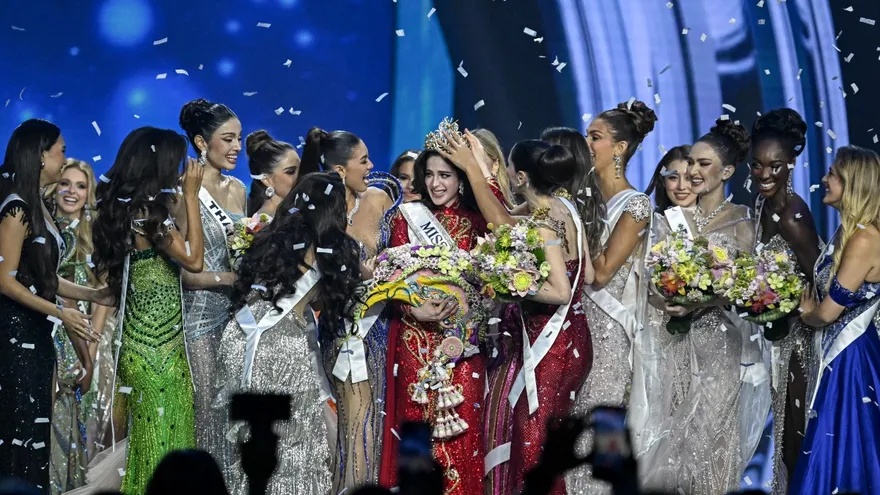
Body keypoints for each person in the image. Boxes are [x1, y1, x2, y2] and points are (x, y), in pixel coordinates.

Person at [639, 120, 769, 495]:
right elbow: (649, 280)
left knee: (709, 442)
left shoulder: (743, 220)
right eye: (691, 162)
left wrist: (700, 301)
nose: (693, 172)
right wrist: (667, 298)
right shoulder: (671, 218)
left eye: (704, 164)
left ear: (726, 171)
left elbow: (742, 288)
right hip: (671, 343)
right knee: (667, 440)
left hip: (719, 343)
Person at [377, 118, 506, 495]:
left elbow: (495, 278)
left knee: (462, 434)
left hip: (463, 345)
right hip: (416, 340)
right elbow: (389, 279)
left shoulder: (480, 222)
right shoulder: (404, 219)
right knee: (417, 431)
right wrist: (410, 308)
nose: (436, 184)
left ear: (462, 179)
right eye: (430, 174)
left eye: (446, 175)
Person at [216, 172, 363, 495]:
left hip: (240, 335)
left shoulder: (270, 235)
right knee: (293, 448)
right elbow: (347, 291)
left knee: (252, 443)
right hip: (280, 341)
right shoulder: (329, 246)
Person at [92, 127, 205, 494]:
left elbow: (180, 243)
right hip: (159, 355)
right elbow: (195, 261)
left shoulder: (131, 213)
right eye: (175, 161)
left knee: (153, 447)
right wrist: (191, 195)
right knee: (163, 449)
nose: (179, 169)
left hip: (146, 350)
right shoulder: (147, 216)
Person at [0, 120, 109, 494]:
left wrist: (93, 295)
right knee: (19, 427)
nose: (64, 156)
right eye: (60, 149)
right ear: (41, 154)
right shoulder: (15, 208)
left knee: (36, 426)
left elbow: (43, 275)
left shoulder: (38, 205)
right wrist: (61, 312)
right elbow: (5, 280)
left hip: (37, 331)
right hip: (15, 335)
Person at [301, 127, 399, 490]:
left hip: (385, 327)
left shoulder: (379, 199)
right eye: (363, 161)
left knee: (379, 420)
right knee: (354, 422)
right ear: (340, 170)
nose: (372, 166)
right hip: (343, 329)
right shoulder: (319, 214)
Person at [567, 101, 656, 494]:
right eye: (587, 135)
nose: (586, 143)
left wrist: (572, 223)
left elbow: (601, 272)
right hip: (572, 324)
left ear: (620, 148)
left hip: (608, 333)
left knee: (596, 426)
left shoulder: (635, 205)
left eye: (595, 137)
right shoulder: (585, 198)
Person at [794, 146, 880, 494]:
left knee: (844, 448)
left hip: (850, 359)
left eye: (832, 175)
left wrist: (806, 312)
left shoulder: (864, 239)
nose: (825, 180)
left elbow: (829, 312)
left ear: (853, 183)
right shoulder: (852, 233)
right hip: (840, 355)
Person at [749, 108, 821, 493]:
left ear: (791, 163)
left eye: (775, 167)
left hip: (801, 340)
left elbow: (821, 279)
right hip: (776, 337)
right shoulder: (763, 205)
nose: (764, 175)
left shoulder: (793, 214)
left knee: (796, 438)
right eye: (757, 166)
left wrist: (791, 304)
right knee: (783, 435)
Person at [176, 98, 247, 467]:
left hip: (235, 322)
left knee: (234, 416)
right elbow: (187, 273)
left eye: (239, 138)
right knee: (207, 414)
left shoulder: (238, 189)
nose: (237, 147)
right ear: (202, 143)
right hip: (198, 322)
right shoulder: (183, 191)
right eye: (228, 139)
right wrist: (231, 277)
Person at [44, 159, 114, 493]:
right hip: (52, 331)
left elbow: (102, 294)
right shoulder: (43, 230)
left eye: (80, 186)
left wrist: (94, 347)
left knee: (92, 424)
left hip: (89, 337)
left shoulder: (94, 235)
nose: (72, 192)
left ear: (90, 193)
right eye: (65, 184)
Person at [245, 130, 302, 217]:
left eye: (301, 169)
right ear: (267, 180)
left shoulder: (296, 211)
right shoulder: (262, 224)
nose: (300, 176)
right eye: (290, 172)